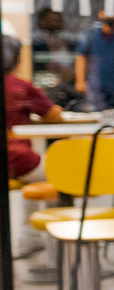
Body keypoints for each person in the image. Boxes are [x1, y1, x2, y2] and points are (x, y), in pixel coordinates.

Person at [5, 35, 62, 182]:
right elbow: (54, 116)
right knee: (68, 171)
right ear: (17, 60)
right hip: (18, 161)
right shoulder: (20, 86)